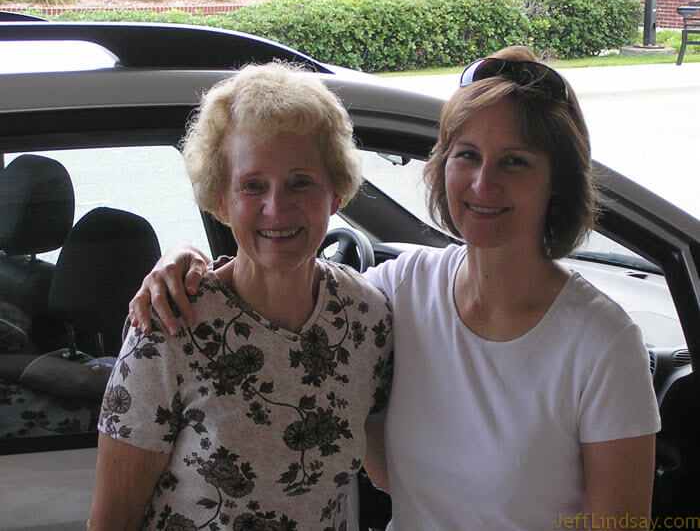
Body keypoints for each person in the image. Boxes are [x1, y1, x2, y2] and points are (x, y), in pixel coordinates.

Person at [128, 47, 660, 529]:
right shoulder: (396, 294)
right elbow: (285, 285)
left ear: (558, 181)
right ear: (443, 165)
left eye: (515, 161)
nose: (482, 184)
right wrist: (185, 262)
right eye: (467, 155)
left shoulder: (603, 343)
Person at [88, 63, 393, 530]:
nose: (277, 207)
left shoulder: (366, 317)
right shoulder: (170, 324)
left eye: (301, 182)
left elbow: (389, 469)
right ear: (219, 201)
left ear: (336, 192)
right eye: (253, 186)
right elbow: (112, 522)